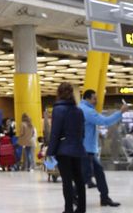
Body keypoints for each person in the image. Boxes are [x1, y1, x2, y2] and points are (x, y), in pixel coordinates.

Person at [79, 89, 122, 207]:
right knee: (85, 175)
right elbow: (105, 121)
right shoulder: (87, 110)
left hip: (87, 148)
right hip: (86, 149)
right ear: (87, 98)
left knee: (98, 172)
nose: (96, 101)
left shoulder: (83, 108)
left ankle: (104, 197)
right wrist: (120, 112)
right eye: (94, 98)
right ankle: (73, 195)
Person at [48, 83, 86, 213]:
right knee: (79, 180)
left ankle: (68, 209)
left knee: (67, 181)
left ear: (59, 93)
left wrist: (50, 152)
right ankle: (81, 208)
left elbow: (55, 132)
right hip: (77, 148)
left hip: (63, 149)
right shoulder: (78, 111)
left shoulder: (58, 109)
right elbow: (82, 132)